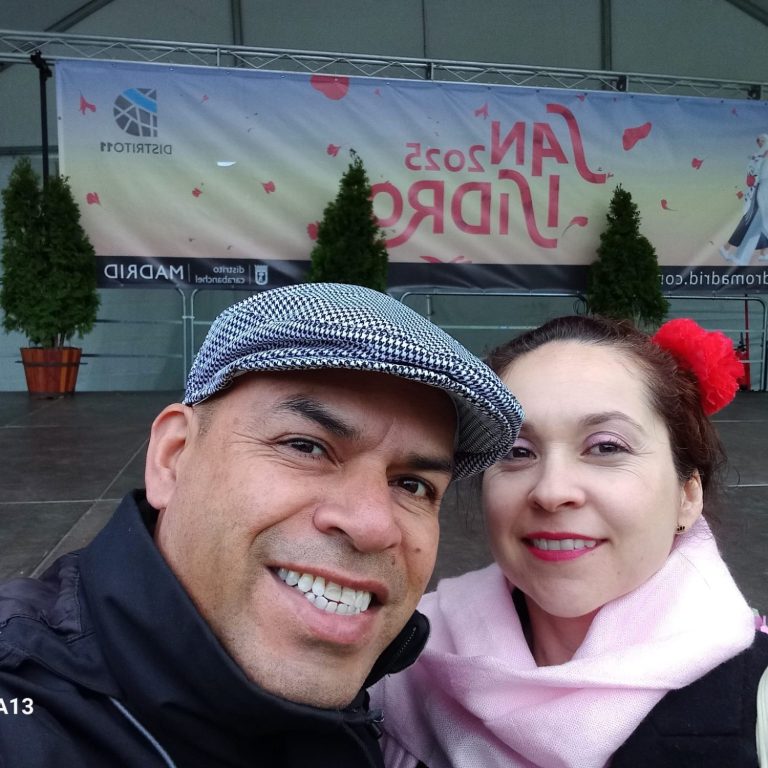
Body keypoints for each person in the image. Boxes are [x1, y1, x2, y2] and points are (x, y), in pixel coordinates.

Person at [0, 282, 524, 768]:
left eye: (413, 485)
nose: (371, 524)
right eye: (305, 446)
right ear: (172, 458)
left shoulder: (401, 704)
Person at [373, 314, 768, 768]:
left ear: (687, 496)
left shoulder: (757, 697)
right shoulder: (393, 658)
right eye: (517, 452)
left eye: (605, 447)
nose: (552, 490)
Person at [721, 133, 768, 266]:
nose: (760, 143)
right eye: (759, 141)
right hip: (758, 192)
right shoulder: (758, 156)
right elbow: (752, 176)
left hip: (763, 191)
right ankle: (730, 249)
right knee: (752, 222)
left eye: (762, 141)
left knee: (760, 223)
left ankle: (761, 253)